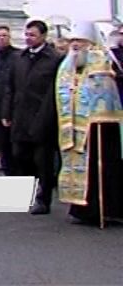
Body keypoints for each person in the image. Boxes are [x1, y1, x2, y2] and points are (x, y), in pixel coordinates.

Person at [54, 21, 123, 226]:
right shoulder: (68, 65)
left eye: (80, 41)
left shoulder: (101, 60)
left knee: (103, 168)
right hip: (75, 127)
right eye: (73, 41)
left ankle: (107, 208)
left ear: (90, 42)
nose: (75, 45)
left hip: (100, 126)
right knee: (80, 167)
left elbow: (107, 90)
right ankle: (83, 210)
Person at [2, 20, 61, 215]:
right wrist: (6, 112)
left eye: (33, 35)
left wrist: (48, 115)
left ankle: (43, 199)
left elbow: (54, 91)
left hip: (43, 116)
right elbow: (10, 87)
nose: (28, 38)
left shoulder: (54, 59)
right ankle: (29, 191)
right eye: (27, 35)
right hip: (20, 115)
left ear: (43, 36)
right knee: (20, 155)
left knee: (42, 160)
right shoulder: (19, 58)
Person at [0, 25, 20, 173]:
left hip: (15, 109)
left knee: (17, 147)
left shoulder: (19, 56)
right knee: (3, 145)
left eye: (5, 35)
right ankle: (7, 171)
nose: (2, 38)